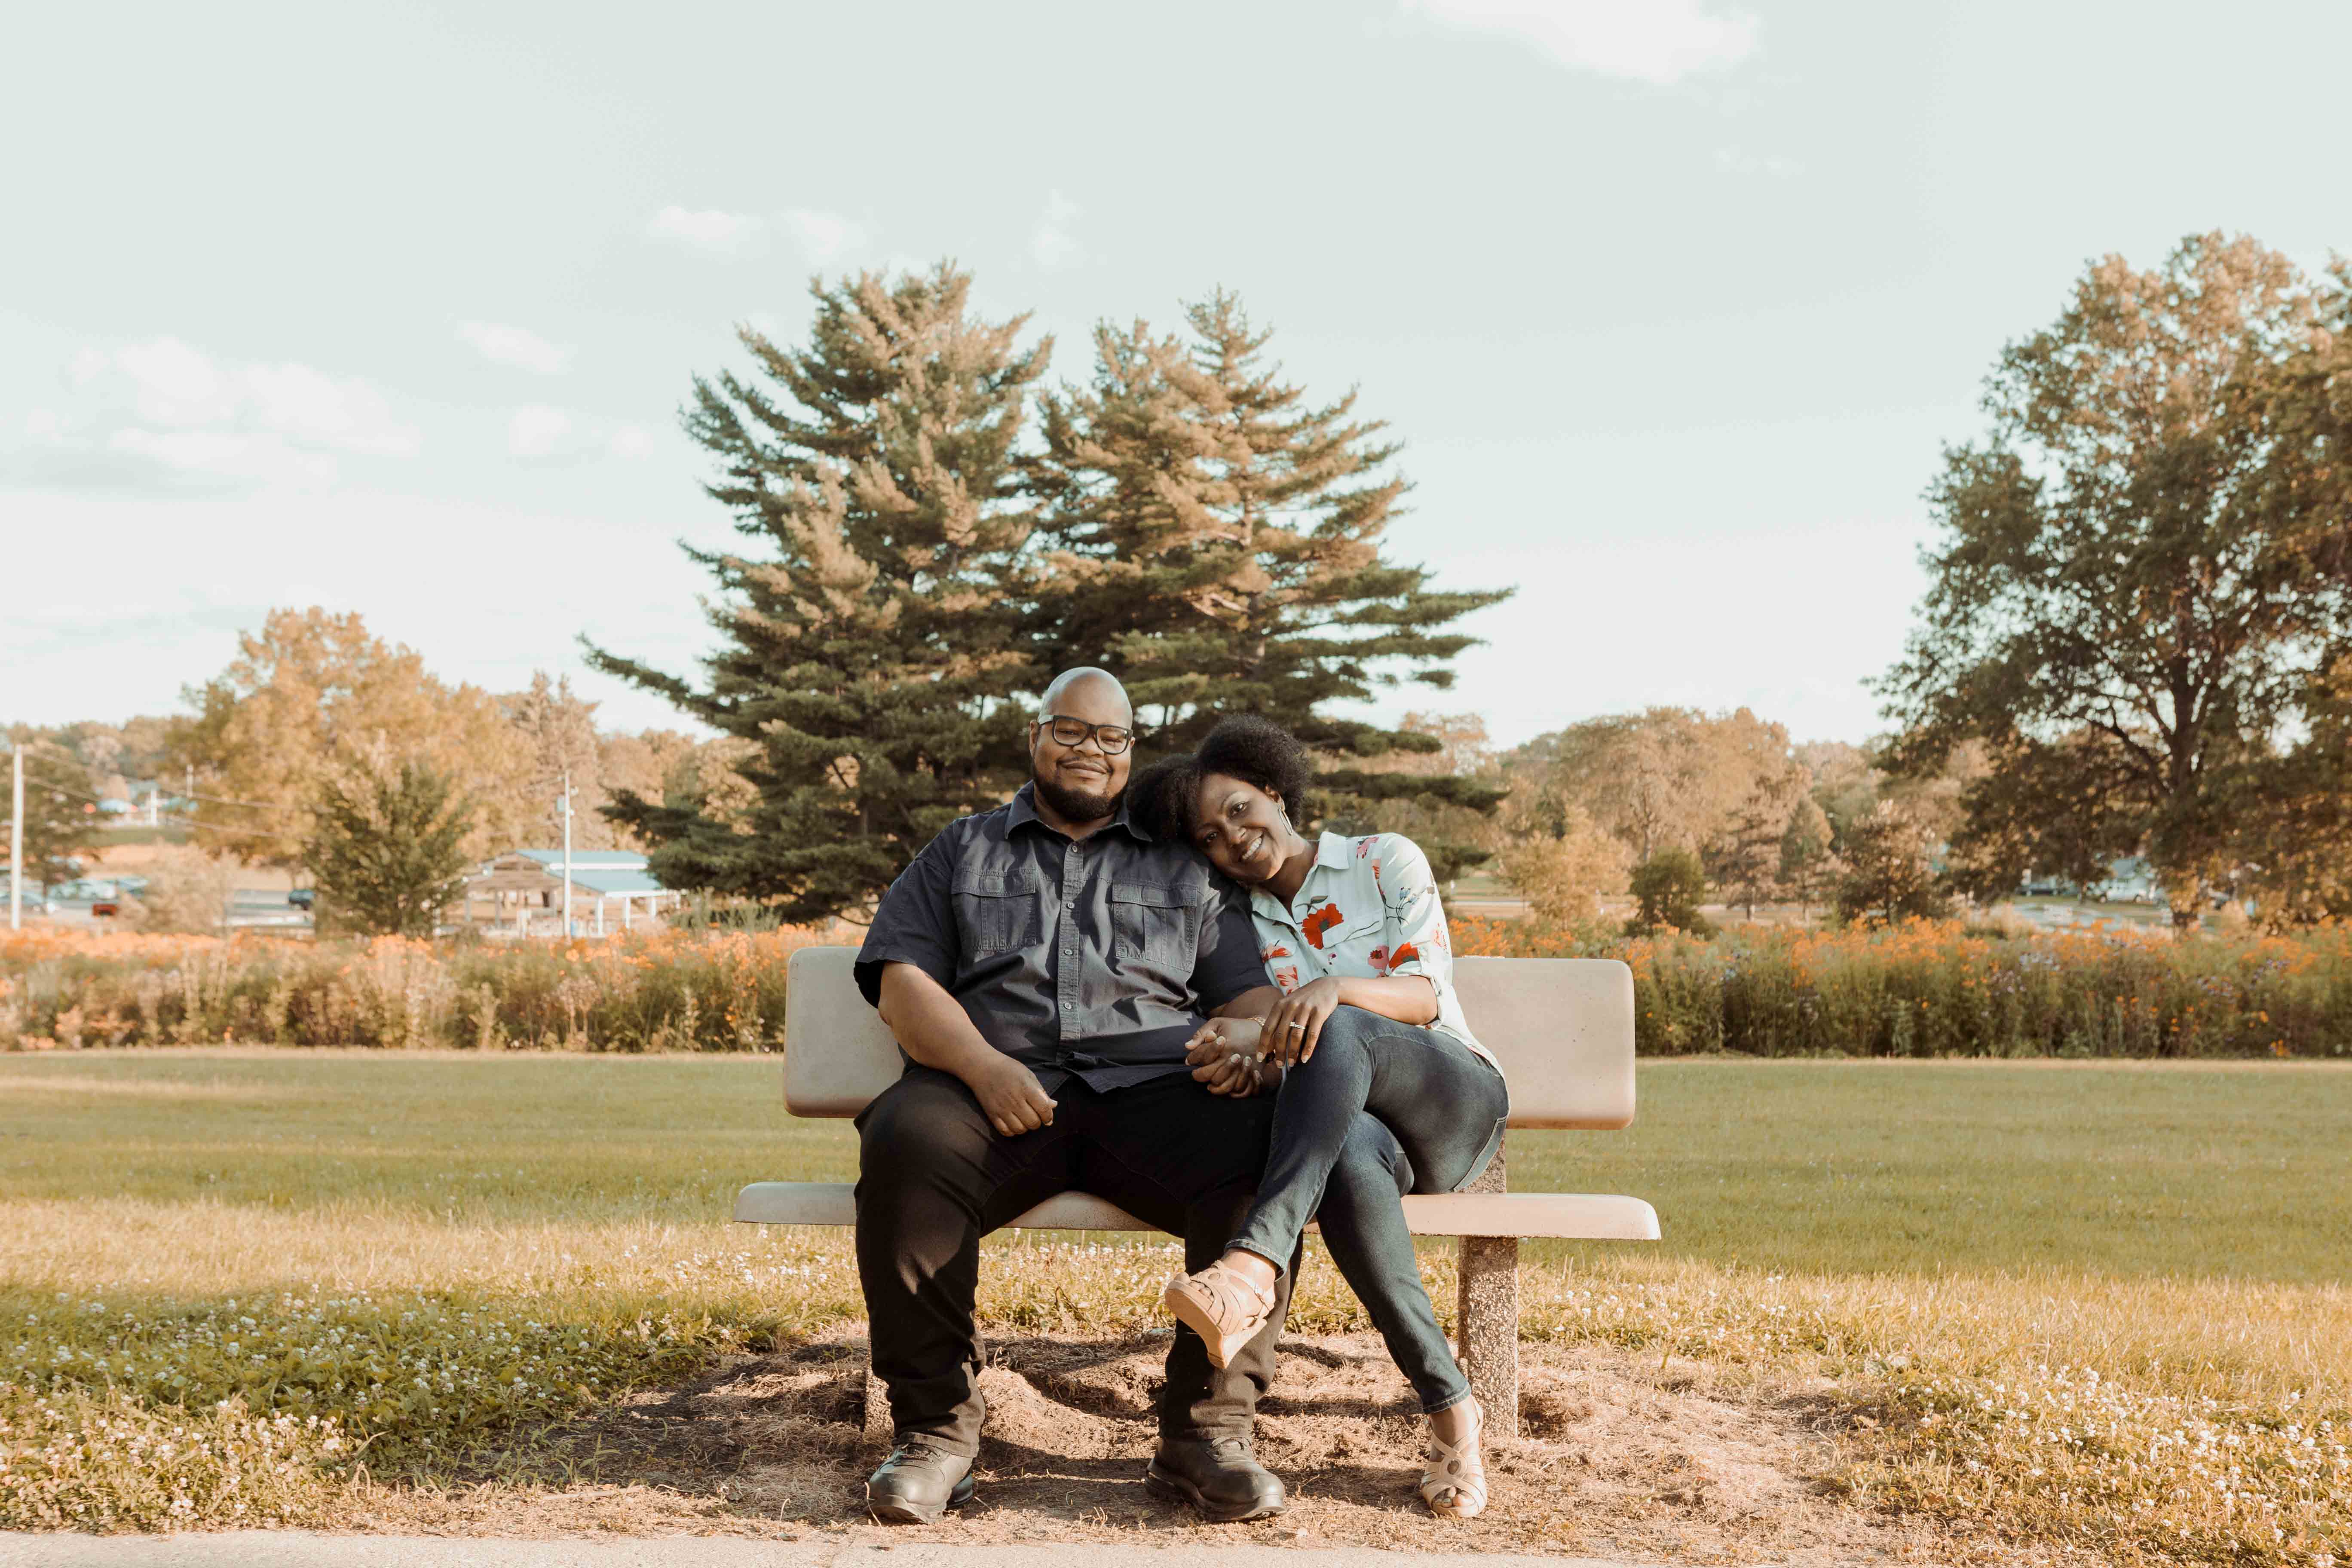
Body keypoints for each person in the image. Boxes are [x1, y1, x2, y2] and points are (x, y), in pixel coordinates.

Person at [850, 669, 1300, 1526]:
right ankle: (936, 1433)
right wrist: (981, 1067)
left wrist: (1248, 1055)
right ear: (1035, 736)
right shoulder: (963, 848)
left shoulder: (1185, 864)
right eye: (1072, 731)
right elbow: (903, 984)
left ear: (1132, 751)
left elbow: (1246, 996)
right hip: (997, 1094)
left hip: (1156, 1094)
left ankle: (1206, 1435)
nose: (1090, 751)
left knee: (1265, 1149)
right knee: (908, 1135)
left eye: (1111, 738)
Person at [1131, 715, 1510, 1520]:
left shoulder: (1381, 859)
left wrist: (1330, 990)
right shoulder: (1238, 925)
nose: (1233, 838)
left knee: (1335, 1023)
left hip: (1448, 1095)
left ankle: (1251, 1270)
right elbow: (1285, 1059)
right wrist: (1239, 1053)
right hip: (1354, 1130)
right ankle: (1451, 1407)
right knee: (1340, 1160)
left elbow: (1425, 995)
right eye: (1209, 835)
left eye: (1239, 809)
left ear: (1274, 791)